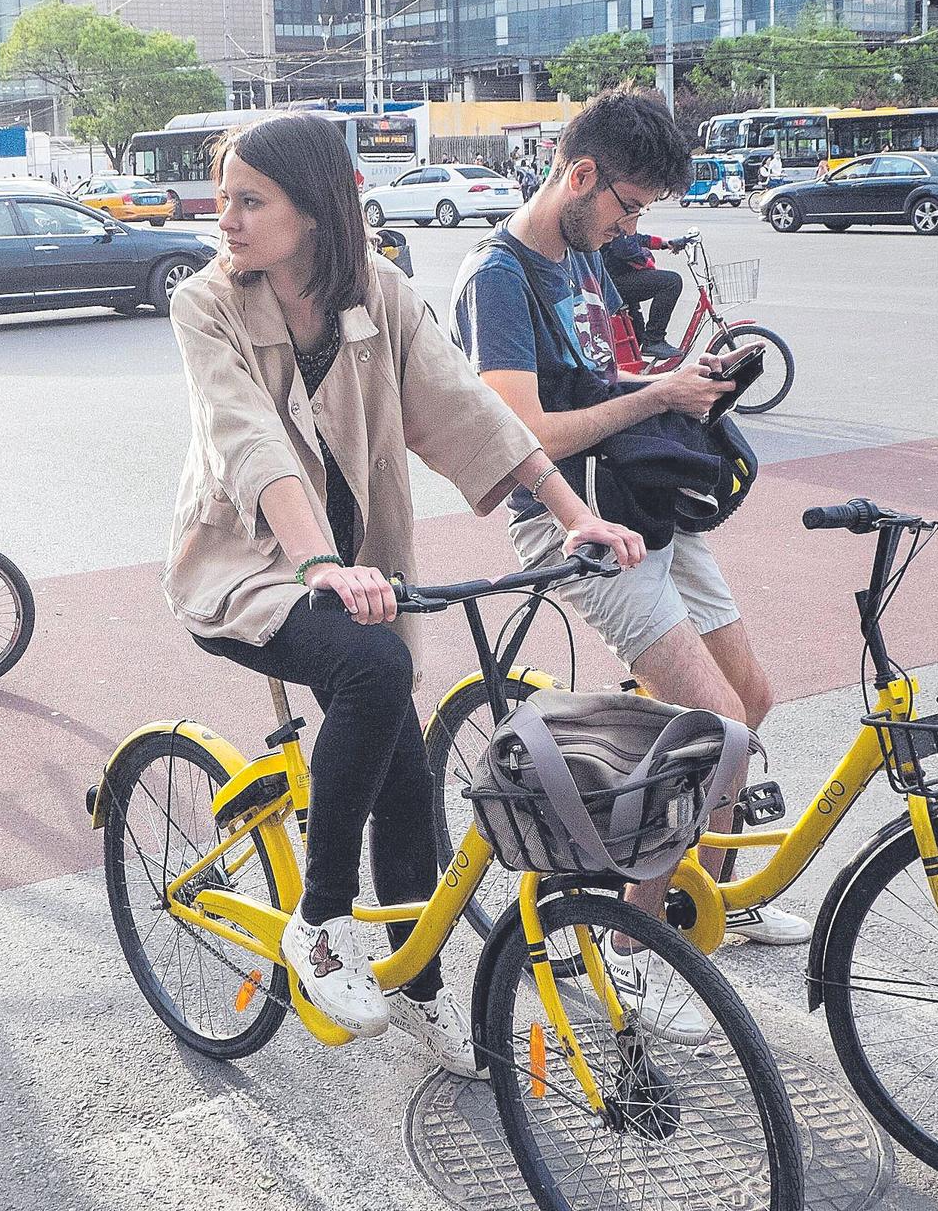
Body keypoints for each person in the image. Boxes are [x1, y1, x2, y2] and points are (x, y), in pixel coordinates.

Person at [166, 112, 643, 1074]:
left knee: (409, 786)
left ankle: (419, 992)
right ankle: (322, 921)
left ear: (317, 210)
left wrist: (567, 513)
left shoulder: (379, 292)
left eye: (248, 200)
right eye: (223, 198)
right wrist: (317, 567)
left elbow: (463, 408)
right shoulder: (205, 303)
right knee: (377, 669)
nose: (227, 219)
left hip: (360, 569)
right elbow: (244, 435)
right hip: (252, 566)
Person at [452, 90, 810, 1040]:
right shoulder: (499, 278)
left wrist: (686, 385)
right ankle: (630, 948)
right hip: (574, 522)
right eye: (628, 206)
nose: (631, 225)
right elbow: (522, 431)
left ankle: (710, 899)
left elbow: (612, 367)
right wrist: (656, 394)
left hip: (646, 503)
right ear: (580, 176)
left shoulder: (588, 256)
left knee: (754, 698)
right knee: (715, 725)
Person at [599, 228, 688, 360]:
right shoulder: (620, 215)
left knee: (637, 331)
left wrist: (665, 243)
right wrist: (649, 265)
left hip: (615, 277)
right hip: (612, 282)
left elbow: (635, 238)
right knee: (672, 282)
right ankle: (654, 340)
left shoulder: (622, 217)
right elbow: (626, 249)